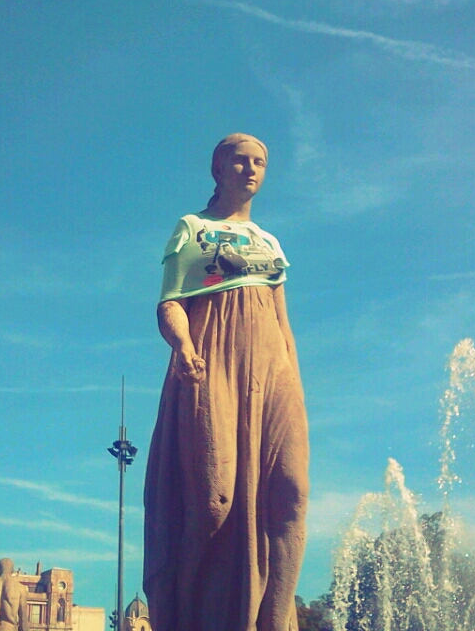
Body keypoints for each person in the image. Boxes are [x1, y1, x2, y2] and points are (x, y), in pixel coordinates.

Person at [143, 133, 309, 631]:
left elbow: (283, 321)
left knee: (292, 489)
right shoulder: (193, 228)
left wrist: (294, 385)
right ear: (218, 169)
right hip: (212, 358)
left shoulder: (269, 243)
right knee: (215, 500)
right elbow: (170, 302)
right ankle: (196, 616)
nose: (251, 169)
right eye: (239, 160)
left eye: (259, 162)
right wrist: (183, 346)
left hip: (274, 370)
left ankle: (273, 621)